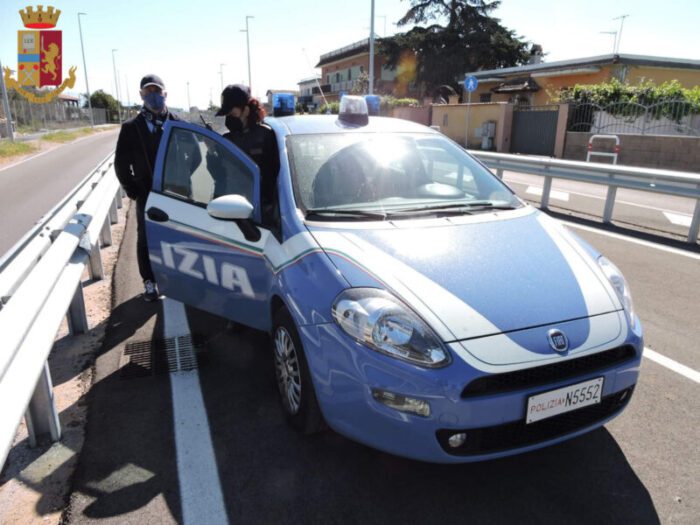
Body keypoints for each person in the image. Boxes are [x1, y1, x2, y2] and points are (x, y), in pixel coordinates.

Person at [114, 74, 180, 301]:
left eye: (157, 91)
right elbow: (121, 164)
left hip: (175, 193)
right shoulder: (131, 128)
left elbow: (194, 157)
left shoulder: (177, 124)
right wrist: (133, 190)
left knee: (175, 236)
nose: (153, 96)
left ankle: (176, 280)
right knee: (145, 238)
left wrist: (184, 180)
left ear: (165, 94)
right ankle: (149, 281)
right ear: (141, 95)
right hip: (146, 193)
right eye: (148, 92)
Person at [210, 84, 280, 227]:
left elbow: (275, 177)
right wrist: (211, 153)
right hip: (230, 209)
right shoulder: (226, 140)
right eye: (227, 115)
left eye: (232, 114)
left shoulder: (266, 136)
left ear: (246, 110)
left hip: (260, 213)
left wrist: (268, 208)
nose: (229, 118)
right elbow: (218, 176)